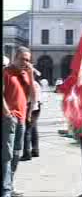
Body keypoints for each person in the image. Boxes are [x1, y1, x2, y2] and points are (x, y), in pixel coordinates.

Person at [2, 46, 36, 197]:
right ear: (15, 58)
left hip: (21, 119)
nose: (25, 62)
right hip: (8, 119)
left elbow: (32, 97)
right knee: (7, 155)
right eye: (22, 59)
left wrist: (31, 75)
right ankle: (6, 190)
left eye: (28, 60)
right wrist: (7, 114)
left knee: (17, 153)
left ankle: (9, 184)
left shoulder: (25, 74)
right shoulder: (6, 72)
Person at [21, 76, 42, 161]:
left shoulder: (29, 83)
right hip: (37, 107)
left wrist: (28, 112)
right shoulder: (36, 83)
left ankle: (27, 153)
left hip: (30, 107)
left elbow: (30, 99)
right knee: (33, 129)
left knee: (27, 130)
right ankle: (35, 150)